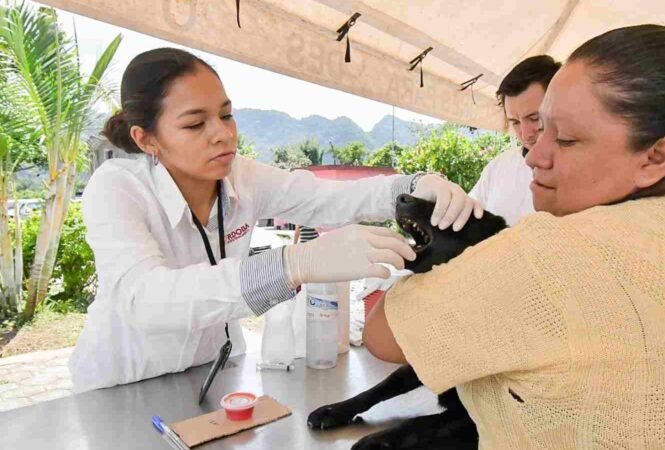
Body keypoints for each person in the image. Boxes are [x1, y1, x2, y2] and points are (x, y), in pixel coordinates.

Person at [364, 25, 665, 448]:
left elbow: (382, 335)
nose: (535, 156)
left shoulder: (556, 249)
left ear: (656, 157)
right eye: (534, 128)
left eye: (565, 139)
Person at [69, 48, 481, 392]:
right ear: (146, 139)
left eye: (226, 115)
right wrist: (293, 264)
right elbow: (146, 300)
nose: (222, 134)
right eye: (195, 124)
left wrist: (413, 186)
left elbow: (331, 199)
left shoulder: (243, 176)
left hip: (214, 377)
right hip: (121, 384)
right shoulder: (117, 188)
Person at [469, 55, 561, 226]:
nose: (526, 134)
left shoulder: (582, 170)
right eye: (515, 122)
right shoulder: (497, 167)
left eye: (534, 118)